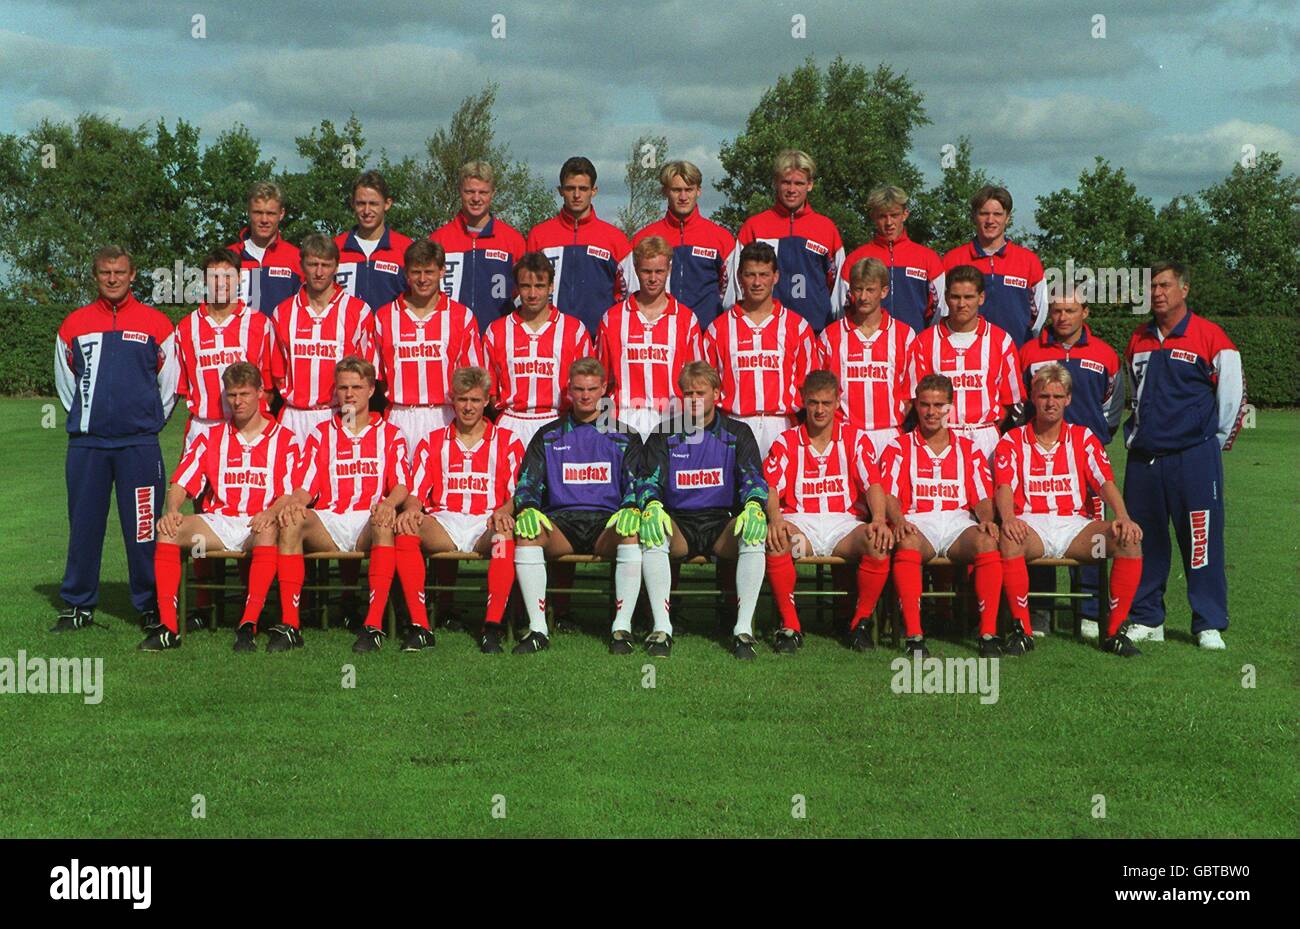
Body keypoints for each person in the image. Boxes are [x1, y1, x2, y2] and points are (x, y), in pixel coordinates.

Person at [53, 245, 179, 634]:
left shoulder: (157, 324)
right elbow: (66, 384)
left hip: (138, 445)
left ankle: (150, 604)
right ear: (95, 276)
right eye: (105, 273)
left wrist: (144, 421)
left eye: (119, 272)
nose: (112, 279)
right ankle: (77, 605)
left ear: (132, 274)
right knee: (85, 526)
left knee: (144, 529)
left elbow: (169, 385)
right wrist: (90, 421)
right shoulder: (73, 324)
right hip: (87, 446)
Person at [1121, 261, 1245, 649]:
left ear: (1184, 289)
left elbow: (1232, 400)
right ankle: (1147, 618)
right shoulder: (1138, 339)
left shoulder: (1211, 337)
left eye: (1165, 285)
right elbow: (1131, 394)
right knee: (1144, 539)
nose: (1157, 292)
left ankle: (1208, 622)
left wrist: (1208, 443)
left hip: (1193, 458)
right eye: (1152, 286)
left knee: (1201, 540)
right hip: (1145, 459)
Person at [993, 364, 1146, 657]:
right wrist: (1009, 518)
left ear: (1068, 399)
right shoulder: (1012, 440)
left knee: (1129, 539)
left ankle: (1114, 632)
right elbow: (1004, 487)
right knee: (1010, 538)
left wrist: (1123, 517)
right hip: (1032, 528)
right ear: (1033, 398)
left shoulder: (1083, 437)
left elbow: (1105, 483)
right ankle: (1022, 631)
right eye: (1044, 396)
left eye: (1057, 396)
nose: (1050, 402)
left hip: (1077, 530)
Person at [143, 363, 298, 651]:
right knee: (168, 531)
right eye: (231, 395)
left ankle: (247, 624)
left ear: (261, 393)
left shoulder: (285, 439)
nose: (237, 402)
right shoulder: (211, 438)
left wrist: (272, 512)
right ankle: (168, 628)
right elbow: (180, 483)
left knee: (267, 531)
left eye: (245, 394)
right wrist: (172, 509)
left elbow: (291, 494)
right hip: (219, 522)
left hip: (259, 522)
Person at [278, 358, 416, 654]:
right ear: (335, 392)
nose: (349, 394)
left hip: (368, 519)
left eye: (357, 387)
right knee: (291, 521)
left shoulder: (390, 433)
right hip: (331, 519)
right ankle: (291, 625)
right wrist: (295, 504)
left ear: (371, 390)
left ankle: (373, 625)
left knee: (384, 521)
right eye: (343, 388)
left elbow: (403, 484)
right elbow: (305, 486)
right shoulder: (321, 433)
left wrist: (389, 503)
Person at [635, 361, 768, 659]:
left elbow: (753, 478)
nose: (694, 399)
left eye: (700, 392)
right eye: (688, 393)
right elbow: (647, 480)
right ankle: (661, 628)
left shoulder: (737, 433)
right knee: (653, 533)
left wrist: (754, 505)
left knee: (754, 532)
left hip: (721, 523)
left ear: (717, 394)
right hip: (679, 524)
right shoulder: (664, 433)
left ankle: (743, 630)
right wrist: (652, 504)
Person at [510, 359, 643, 655]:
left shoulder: (624, 436)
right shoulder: (548, 435)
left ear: (604, 390)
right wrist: (528, 506)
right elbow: (528, 482)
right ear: (568, 390)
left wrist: (631, 506)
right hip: (562, 523)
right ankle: (537, 629)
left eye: (592, 389)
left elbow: (637, 482)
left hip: (606, 523)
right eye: (579, 389)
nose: (585, 396)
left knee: (630, 533)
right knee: (528, 534)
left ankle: (621, 629)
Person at [396, 366, 526, 655]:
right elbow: (416, 493)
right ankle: (420, 627)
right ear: (452, 400)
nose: (468, 407)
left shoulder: (508, 441)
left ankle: (492, 627)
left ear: (487, 401)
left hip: (486, 522)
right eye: (462, 399)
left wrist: (504, 511)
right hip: (446, 521)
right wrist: (412, 509)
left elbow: (518, 494)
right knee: (406, 529)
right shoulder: (432, 441)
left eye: (475, 400)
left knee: (504, 539)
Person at [762, 371, 894, 654]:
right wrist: (775, 519)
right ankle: (791, 625)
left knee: (878, 542)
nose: (819, 410)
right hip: (802, 526)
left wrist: (880, 520)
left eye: (826, 402)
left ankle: (860, 623)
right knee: (778, 541)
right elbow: (771, 487)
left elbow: (873, 484)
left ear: (838, 402)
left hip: (844, 527)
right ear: (803, 401)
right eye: (813, 403)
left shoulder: (856, 439)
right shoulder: (786, 440)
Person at [1018, 289, 1124, 637]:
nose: (1063, 317)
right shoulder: (1031, 351)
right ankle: (1042, 612)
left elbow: (1113, 406)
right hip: (1042, 454)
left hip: (1085, 457)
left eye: (1071, 310)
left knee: (1092, 535)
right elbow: (1021, 401)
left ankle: (1090, 614)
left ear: (1085, 313)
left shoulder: (1105, 354)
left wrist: (1092, 436)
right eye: (1057, 310)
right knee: (1040, 526)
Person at [878, 374, 1002, 659]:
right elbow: (889, 496)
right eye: (924, 405)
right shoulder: (899, 447)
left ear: (950, 407)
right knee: (907, 542)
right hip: (919, 521)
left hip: (957, 522)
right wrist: (898, 521)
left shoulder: (969, 449)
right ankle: (914, 635)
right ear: (916, 406)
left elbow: (982, 497)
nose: (931, 412)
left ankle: (987, 633)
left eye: (939, 405)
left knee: (986, 541)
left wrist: (986, 519)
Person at [704, 241, 817, 459]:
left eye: (764, 275)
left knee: (782, 492)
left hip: (782, 425)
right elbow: (707, 386)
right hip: (734, 423)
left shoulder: (798, 327)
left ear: (776, 276)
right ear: (739, 277)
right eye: (750, 275)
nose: (757, 282)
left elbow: (809, 386)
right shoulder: (718, 329)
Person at [372, 239, 483, 453]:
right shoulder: (385, 317)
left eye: (429, 272)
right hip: (400, 415)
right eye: (416, 272)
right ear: (406, 274)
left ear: (442, 271)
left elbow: (472, 377)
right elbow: (375, 379)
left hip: (444, 415)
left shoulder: (461, 316)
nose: (422, 279)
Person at [905, 265, 1023, 460]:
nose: (961, 304)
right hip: (939, 435)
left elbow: (1011, 401)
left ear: (981, 298)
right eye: (955, 297)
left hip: (985, 438)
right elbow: (916, 397)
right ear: (946, 297)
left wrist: (986, 427)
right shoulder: (925, 342)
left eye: (968, 297)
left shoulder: (1000, 340)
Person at [270, 233, 376, 447]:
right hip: (294, 416)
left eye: (326, 265)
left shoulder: (358, 311)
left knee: (339, 480)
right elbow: (277, 372)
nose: (319, 272)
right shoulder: (283, 312)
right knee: (290, 480)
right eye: (312, 264)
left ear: (336, 267)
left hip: (341, 413)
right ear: (302, 266)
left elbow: (366, 372)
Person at [482, 252, 594, 450]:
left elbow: (589, 385)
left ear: (551, 286)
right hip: (512, 422)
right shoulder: (496, 331)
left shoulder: (574, 330)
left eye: (540, 286)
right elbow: (489, 389)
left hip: (558, 420)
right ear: (517, 288)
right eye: (526, 286)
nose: (532, 294)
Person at [597, 235, 704, 441]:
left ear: (669, 270)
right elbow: (602, 376)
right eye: (646, 271)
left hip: (672, 418)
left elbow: (697, 378)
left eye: (659, 271)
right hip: (623, 418)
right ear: (636, 269)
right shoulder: (613, 318)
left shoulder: (686, 319)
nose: (653, 278)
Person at [735, 149, 845, 332]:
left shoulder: (826, 228)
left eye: (799, 183)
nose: (792, 190)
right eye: (786, 182)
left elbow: (838, 287)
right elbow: (737, 283)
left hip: (815, 330)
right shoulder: (754, 226)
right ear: (776, 183)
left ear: (810, 185)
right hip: (763, 330)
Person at [818, 256, 915, 458]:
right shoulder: (831, 335)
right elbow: (819, 390)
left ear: (884, 291)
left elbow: (911, 392)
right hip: (845, 434)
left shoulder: (904, 335)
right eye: (858, 289)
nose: (863, 297)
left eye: (870, 290)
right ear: (850, 291)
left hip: (889, 434)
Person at [628, 159, 737, 332]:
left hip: (706, 335)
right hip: (658, 336)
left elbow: (732, 295)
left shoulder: (721, 239)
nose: (683, 197)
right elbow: (631, 291)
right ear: (665, 191)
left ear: (698, 191)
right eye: (676, 190)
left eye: (689, 190)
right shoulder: (644, 238)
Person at [526, 156, 630, 335]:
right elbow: (526, 287)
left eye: (583, 189)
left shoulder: (615, 239)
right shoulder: (539, 235)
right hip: (549, 338)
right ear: (560, 190)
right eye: (570, 188)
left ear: (594, 190)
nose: (576, 195)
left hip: (598, 337)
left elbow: (628, 293)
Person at [941, 185, 1046, 347]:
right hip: (964, 357)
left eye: (997, 214)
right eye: (984, 213)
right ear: (974, 216)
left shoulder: (1029, 261)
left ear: (1007, 218)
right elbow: (942, 311)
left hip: (1016, 353)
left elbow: (1039, 317)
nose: (990, 220)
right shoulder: (953, 259)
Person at [429, 160, 527, 332]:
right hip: (450, 336)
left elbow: (524, 294)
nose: (476, 198)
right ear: (460, 192)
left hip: (499, 336)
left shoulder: (513, 240)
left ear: (493, 194)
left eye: (483, 192)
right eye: (470, 192)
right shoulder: (439, 239)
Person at [838, 185, 946, 333]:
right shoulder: (856, 259)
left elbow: (940, 311)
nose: (889, 223)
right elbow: (842, 309)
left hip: (915, 344)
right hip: (867, 347)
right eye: (882, 216)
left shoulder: (928, 258)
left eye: (894, 215)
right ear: (873, 216)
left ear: (905, 214)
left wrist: (927, 341)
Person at [334, 170, 413, 314]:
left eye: (374, 204)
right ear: (352, 204)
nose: (366, 210)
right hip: (345, 335)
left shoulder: (406, 248)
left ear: (387, 204)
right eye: (361, 203)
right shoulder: (335, 248)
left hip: (390, 335)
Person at [228, 181, 302, 315]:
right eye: (258, 212)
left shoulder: (297, 258)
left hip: (280, 336)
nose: (264, 220)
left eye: (271, 213)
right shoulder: (228, 256)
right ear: (248, 212)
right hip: (238, 335)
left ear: (281, 214)